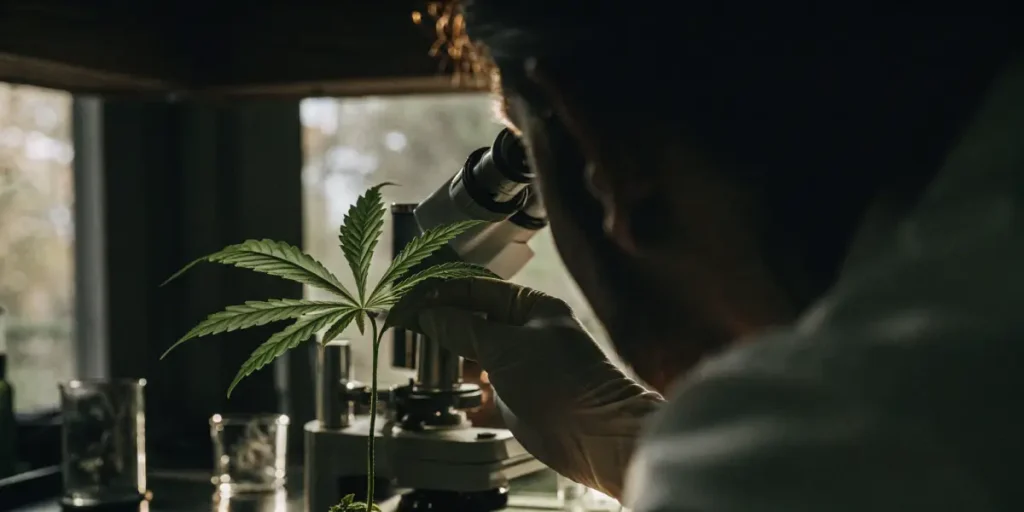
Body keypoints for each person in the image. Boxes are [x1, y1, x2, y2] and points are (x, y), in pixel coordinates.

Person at [397, 7, 1022, 511]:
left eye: (532, 156)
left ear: (607, 152)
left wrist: (706, 457)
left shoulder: (861, 421)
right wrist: (631, 442)